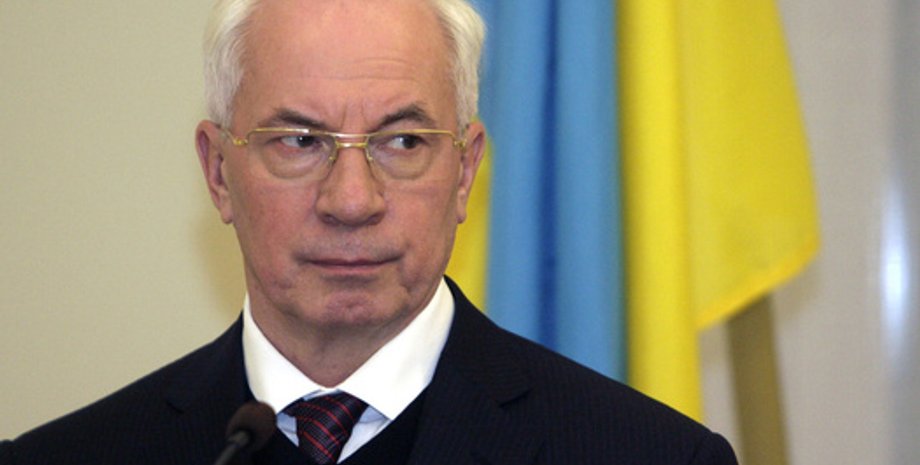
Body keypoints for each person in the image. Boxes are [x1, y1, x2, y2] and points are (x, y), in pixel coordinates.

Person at [0, 0, 737, 464]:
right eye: (299, 141)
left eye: (403, 141)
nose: (352, 201)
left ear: (465, 172)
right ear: (219, 173)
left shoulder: (651, 455)